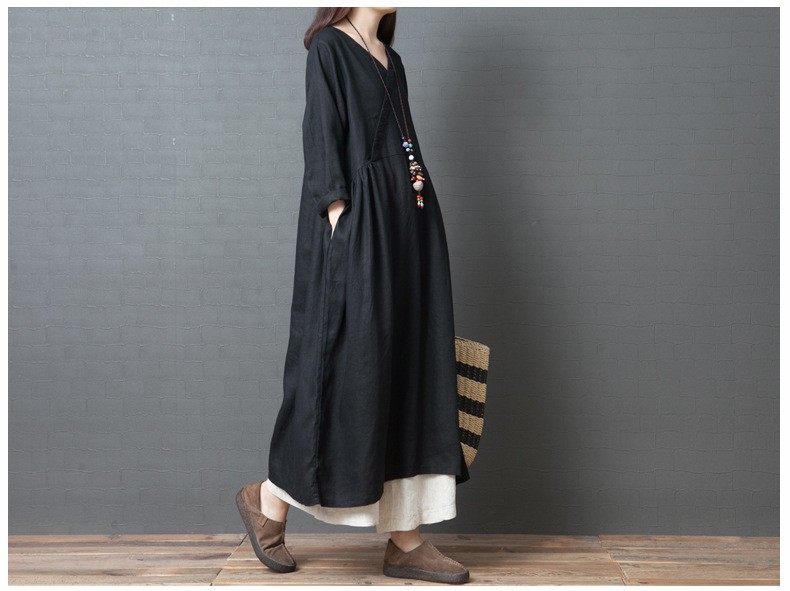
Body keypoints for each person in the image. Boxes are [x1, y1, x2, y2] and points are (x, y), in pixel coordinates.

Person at [235, 7, 470, 585]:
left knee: (407, 369)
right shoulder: (329, 50)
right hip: (360, 227)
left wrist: (418, 224)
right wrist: (342, 220)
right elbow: (323, 140)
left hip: (409, 227)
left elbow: (404, 147)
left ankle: (406, 540)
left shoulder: (392, 60)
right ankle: (269, 500)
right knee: (344, 370)